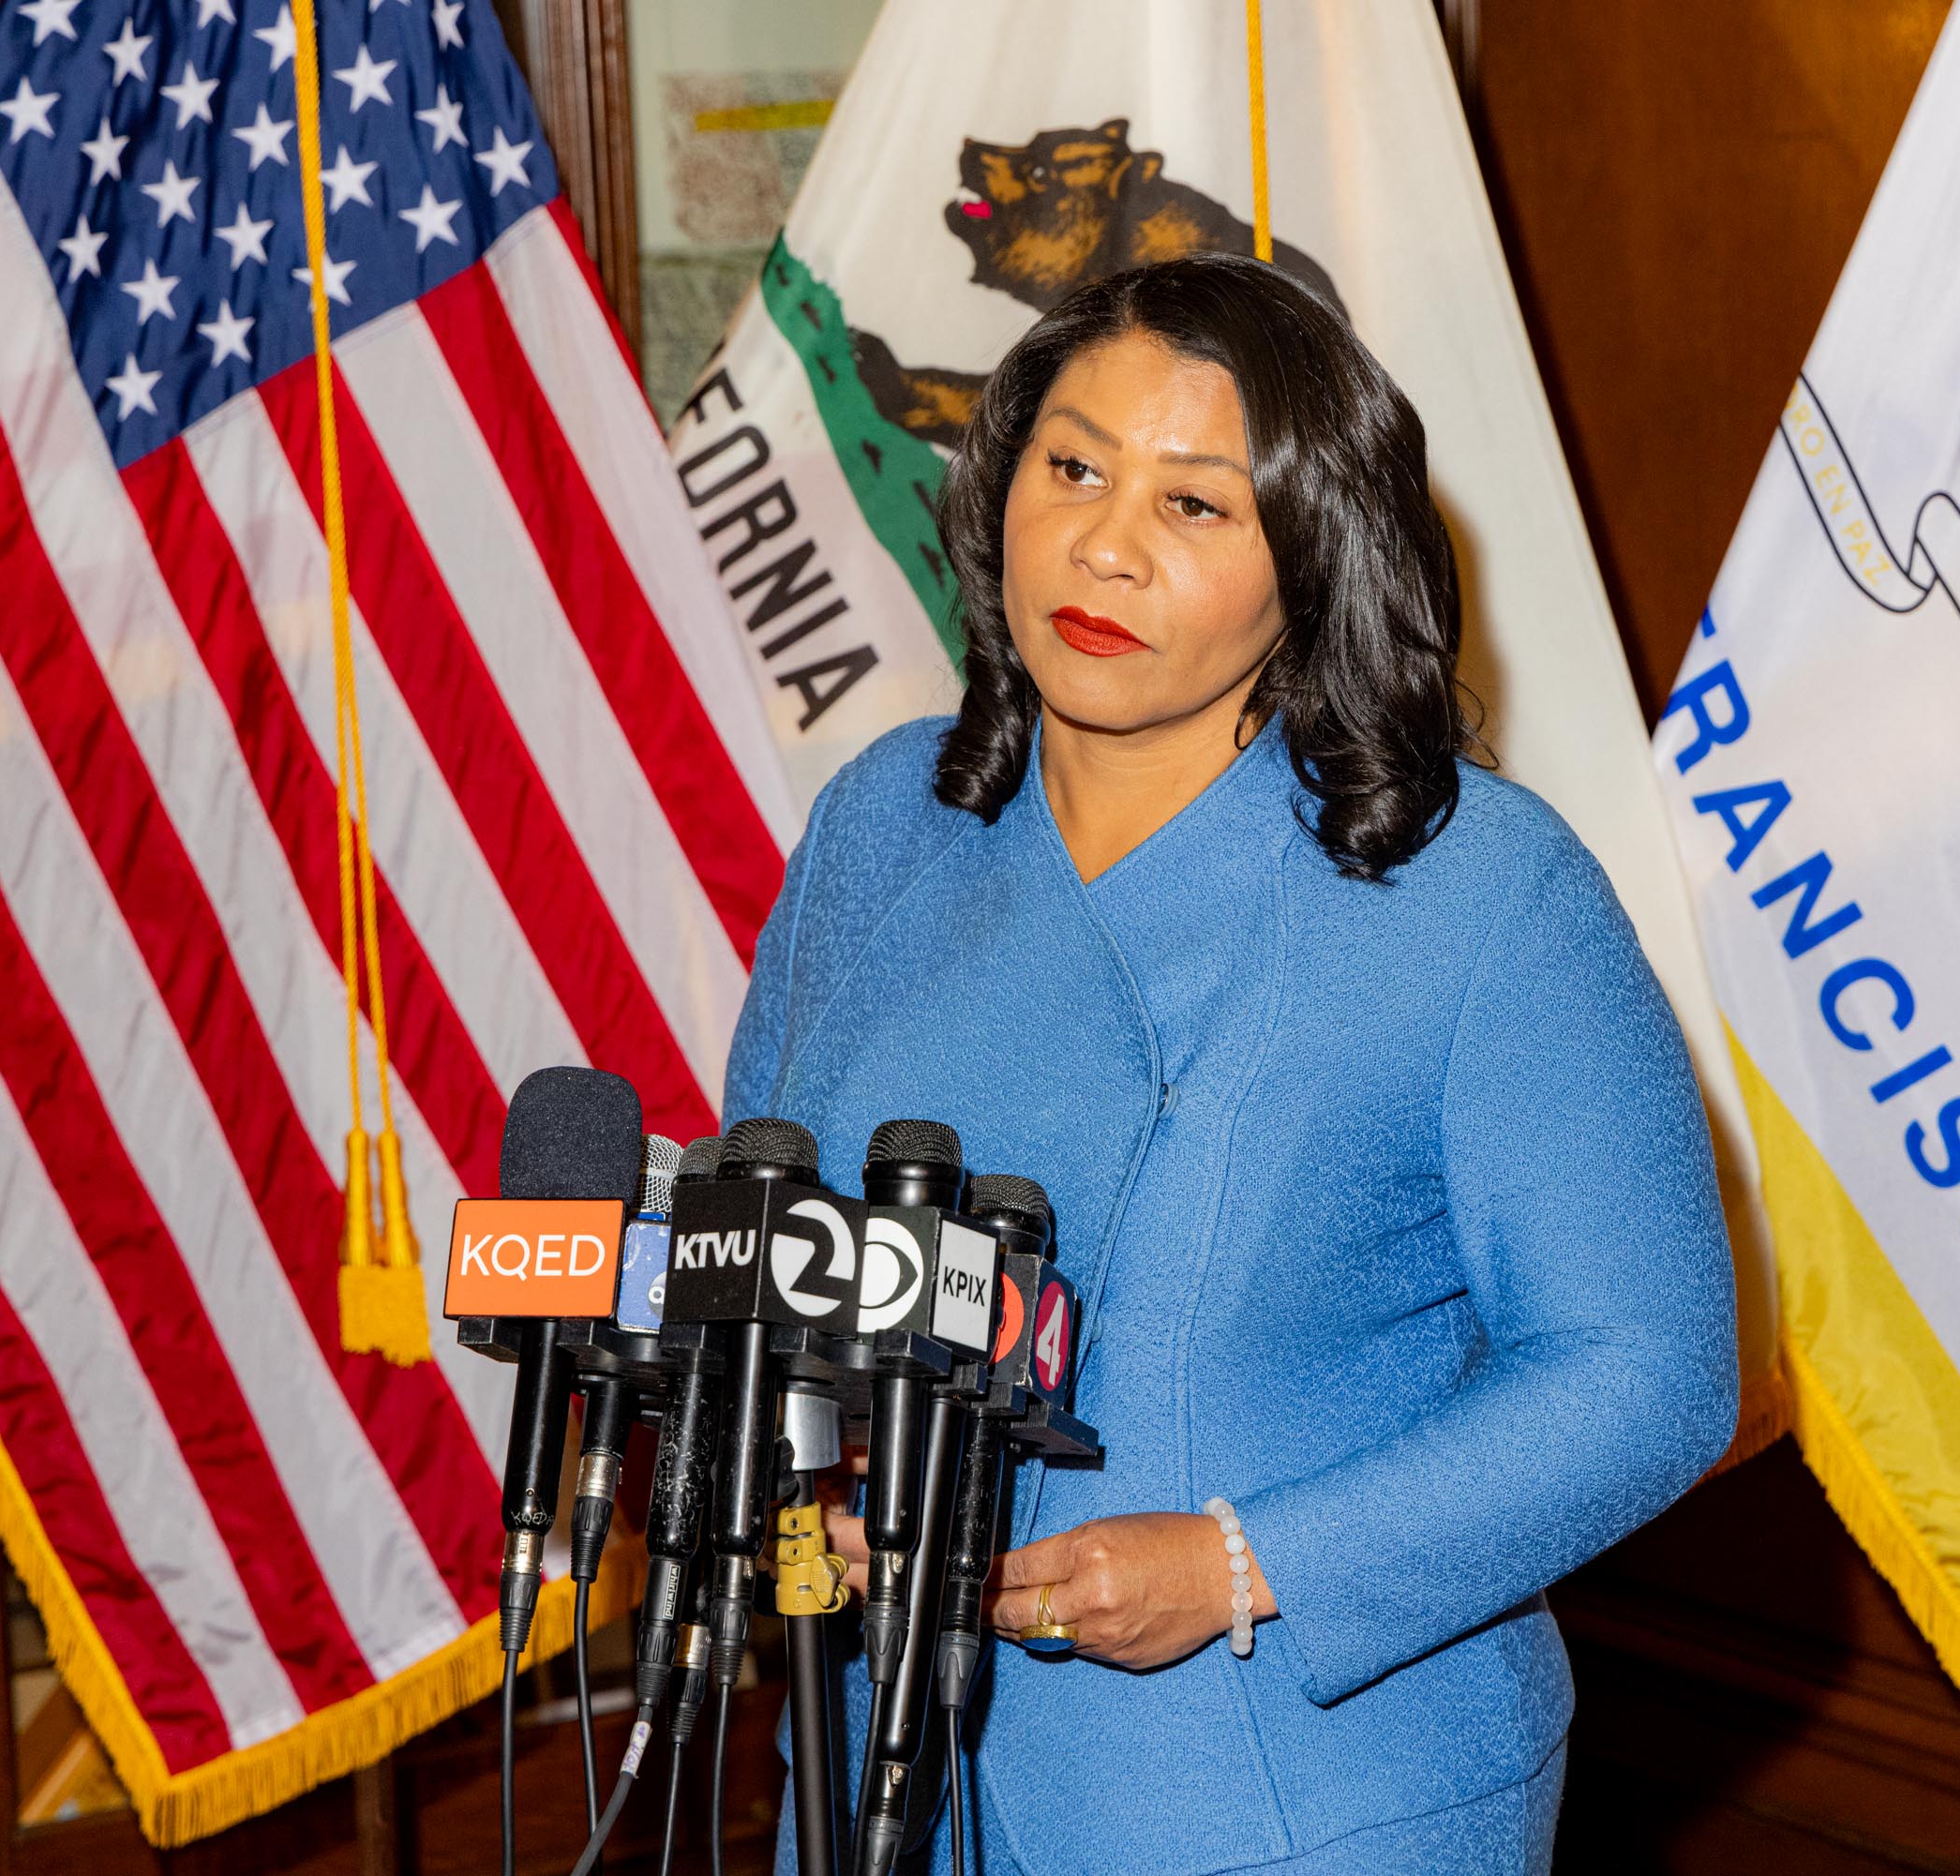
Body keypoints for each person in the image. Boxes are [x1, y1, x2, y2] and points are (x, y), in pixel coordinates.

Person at [725, 252, 1737, 1876]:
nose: (1105, 542)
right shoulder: (885, 821)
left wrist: (1246, 1561)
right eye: (1071, 466)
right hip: (880, 1775)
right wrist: (808, 1470)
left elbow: (1647, 1372)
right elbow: (772, 1252)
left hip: (1289, 1798)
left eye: (1196, 507)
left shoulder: (1481, 892)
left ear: (1310, 562)